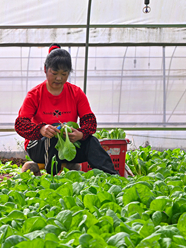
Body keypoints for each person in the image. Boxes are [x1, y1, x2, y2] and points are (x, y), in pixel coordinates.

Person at [15, 44, 118, 176]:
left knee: (91, 141)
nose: (59, 78)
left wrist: (80, 134)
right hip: (38, 147)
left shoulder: (76, 93)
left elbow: (90, 122)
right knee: (53, 134)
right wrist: (41, 129)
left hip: (68, 147)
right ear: (46, 70)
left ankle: (112, 176)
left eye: (64, 74)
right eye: (55, 73)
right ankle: (52, 176)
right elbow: (21, 125)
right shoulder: (35, 94)